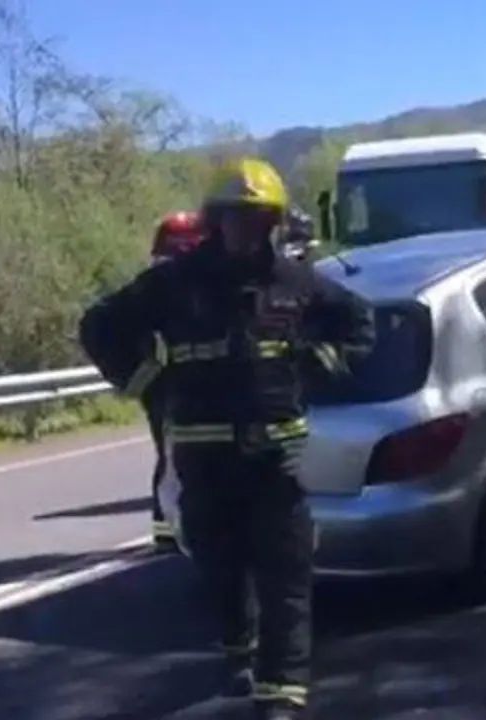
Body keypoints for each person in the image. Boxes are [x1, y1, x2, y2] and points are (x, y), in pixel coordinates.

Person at [78, 157, 375, 719]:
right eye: (237, 217)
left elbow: (360, 324)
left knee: (286, 575)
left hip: (275, 457)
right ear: (217, 222)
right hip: (203, 456)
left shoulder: (296, 281)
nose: (248, 228)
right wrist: (148, 384)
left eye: (259, 217)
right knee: (221, 566)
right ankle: (239, 647)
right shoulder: (174, 283)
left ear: (274, 222)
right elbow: (100, 326)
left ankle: (281, 693)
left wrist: (319, 363)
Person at [144, 210, 204, 553]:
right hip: (171, 385)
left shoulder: (157, 283)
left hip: (162, 385)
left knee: (167, 455)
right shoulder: (170, 287)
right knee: (174, 455)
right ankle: (170, 530)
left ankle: (167, 530)